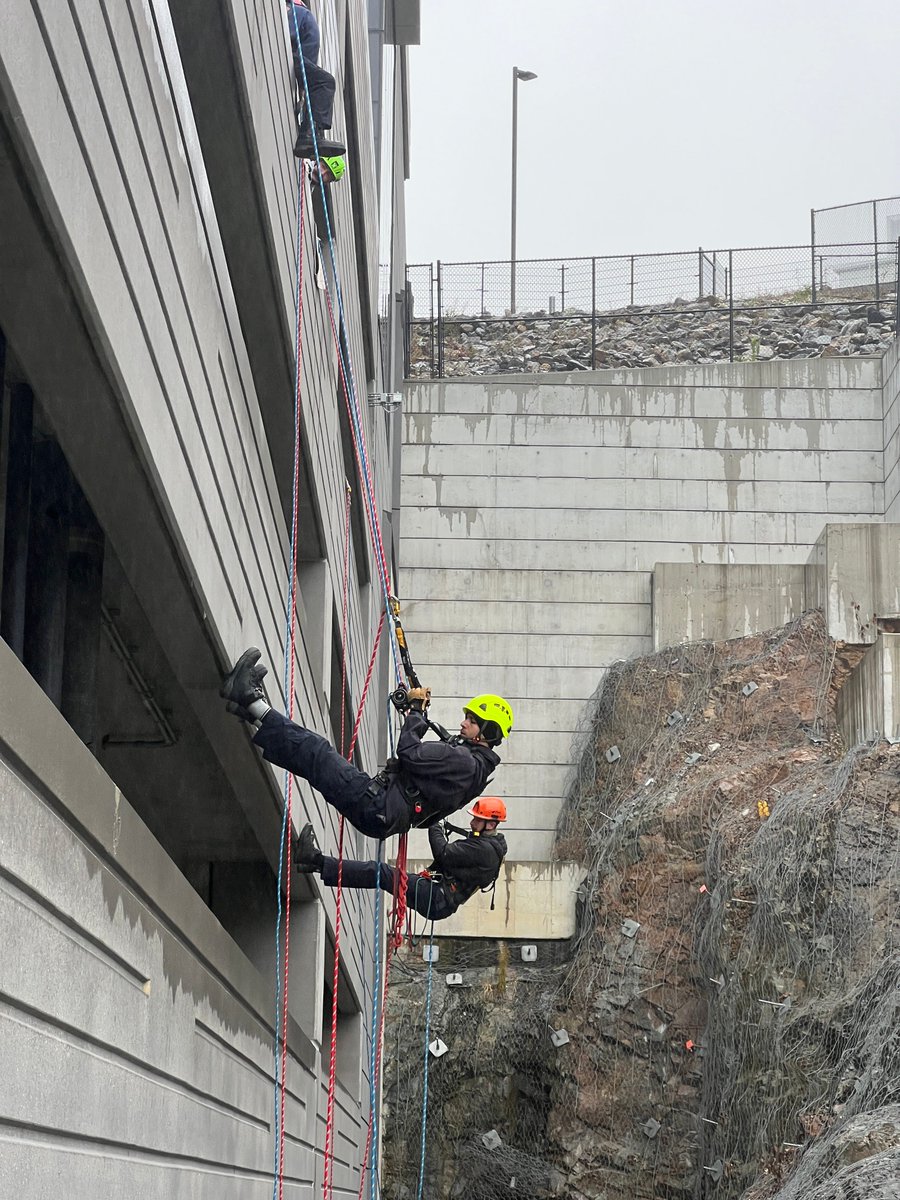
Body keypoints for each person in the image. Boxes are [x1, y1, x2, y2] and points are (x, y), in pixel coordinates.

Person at [220, 647, 513, 840]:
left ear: (487, 732)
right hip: (380, 810)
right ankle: (253, 711)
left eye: (472, 721)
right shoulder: (473, 769)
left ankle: (249, 698)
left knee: (316, 752)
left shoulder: (465, 762)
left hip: (376, 804)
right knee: (312, 761)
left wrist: (415, 714)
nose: (463, 723)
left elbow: (409, 752)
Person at [293, 798, 508, 921]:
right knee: (384, 875)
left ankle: (315, 861)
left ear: (491, 824)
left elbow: (443, 853)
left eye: (477, 820)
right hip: (438, 899)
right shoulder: (487, 848)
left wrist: (434, 822)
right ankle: (313, 863)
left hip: (436, 897)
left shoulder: (484, 850)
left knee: (380, 872)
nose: (472, 823)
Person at [286, 1, 345, 158]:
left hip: (295, 61)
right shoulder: (299, 11)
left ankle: (313, 132)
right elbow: (288, 32)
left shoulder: (299, 12)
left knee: (322, 81)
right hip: (293, 58)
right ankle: (311, 133)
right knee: (325, 81)